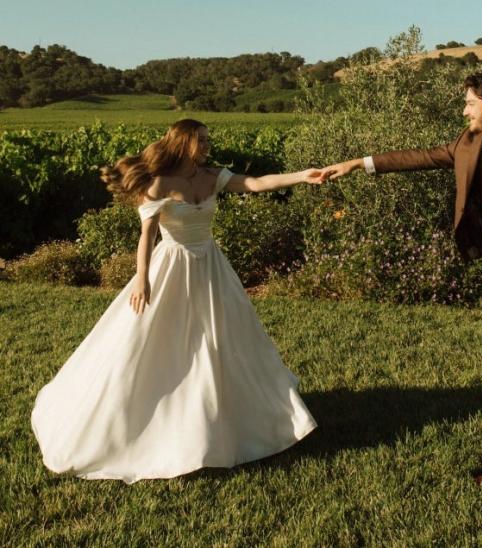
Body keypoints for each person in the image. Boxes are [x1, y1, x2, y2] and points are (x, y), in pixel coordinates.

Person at [313, 68, 482, 483]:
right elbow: (418, 158)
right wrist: (356, 164)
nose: (463, 109)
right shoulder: (468, 143)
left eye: (470, 102)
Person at [31, 120, 320, 483]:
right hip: (173, 266)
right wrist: (141, 280)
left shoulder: (213, 175)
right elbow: (147, 236)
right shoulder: (158, 184)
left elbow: (256, 183)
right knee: (159, 342)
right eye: (202, 141)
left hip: (211, 267)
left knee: (217, 341)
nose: (208, 146)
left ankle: (222, 421)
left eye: (208, 140)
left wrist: (302, 176)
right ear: (184, 143)